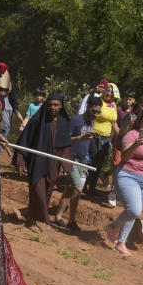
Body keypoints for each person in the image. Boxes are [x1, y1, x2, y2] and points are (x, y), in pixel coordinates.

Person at [104, 109, 143, 255]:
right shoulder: (131, 134)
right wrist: (136, 144)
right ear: (140, 120)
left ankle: (121, 243)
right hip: (128, 175)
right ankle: (113, 227)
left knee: (133, 212)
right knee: (134, 209)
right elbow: (124, 157)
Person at [13, 92, 72, 225]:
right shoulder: (38, 120)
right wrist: (21, 161)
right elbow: (25, 140)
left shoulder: (63, 123)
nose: (53, 107)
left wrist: (66, 166)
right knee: (37, 187)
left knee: (48, 190)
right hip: (37, 161)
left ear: (61, 106)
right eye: (50, 105)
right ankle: (44, 219)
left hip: (54, 163)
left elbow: (66, 146)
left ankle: (31, 216)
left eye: (56, 105)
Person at [52, 96, 101, 231]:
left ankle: (58, 217)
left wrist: (86, 161)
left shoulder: (91, 121)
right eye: (94, 111)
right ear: (88, 106)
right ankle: (71, 220)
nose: (96, 114)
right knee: (78, 189)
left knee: (69, 190)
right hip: (71, 158)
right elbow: (64, 139)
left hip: (81, 160)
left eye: (98, 112)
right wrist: (79, 138)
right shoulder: (75, 120)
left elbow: (86, 143)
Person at [83, 81, 119, 197]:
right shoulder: (99, 101)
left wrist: (122, 134)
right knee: (92, 162)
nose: (109, 93)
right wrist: (94, 91)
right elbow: (90, 102)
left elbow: (113, 122)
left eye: (112, 92)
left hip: (105, 139)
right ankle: (83, 187)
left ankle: (92, 189)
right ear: (103, 91)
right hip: (94, 135)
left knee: (99, 164)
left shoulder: (113, 105)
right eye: (107, 90)